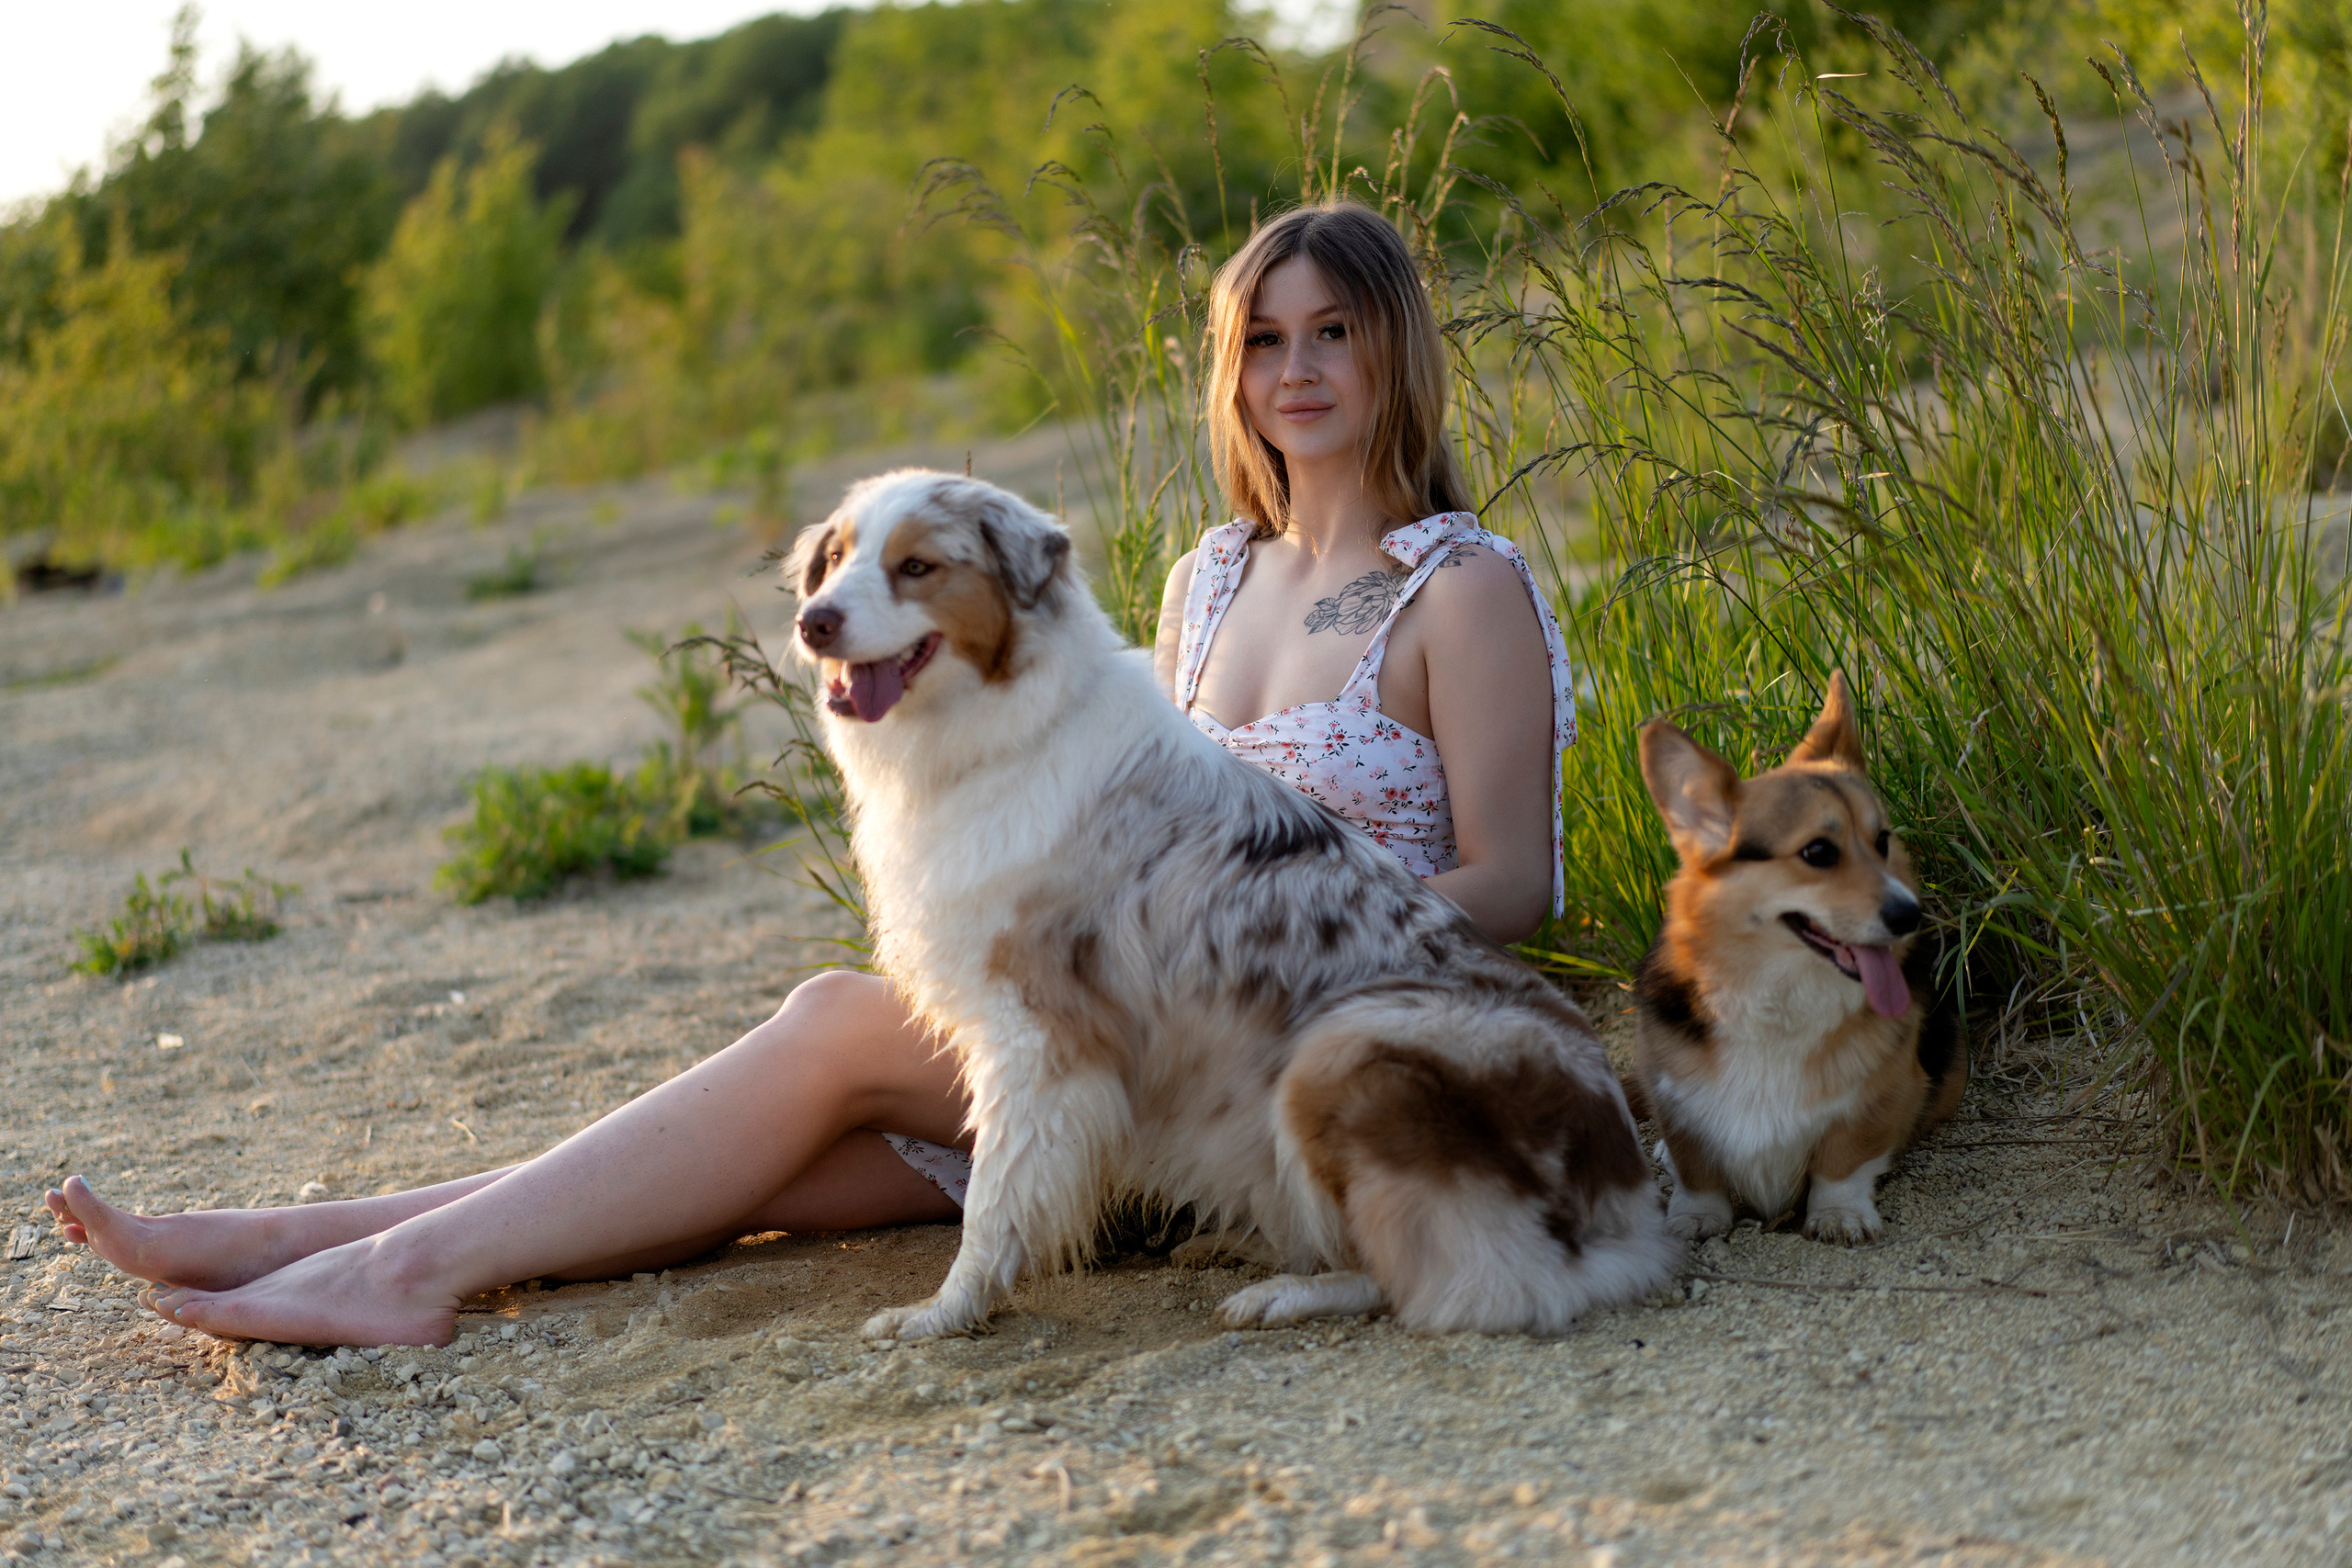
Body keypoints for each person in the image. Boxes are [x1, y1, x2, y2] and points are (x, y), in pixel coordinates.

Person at [44, 201, 1573, 1348]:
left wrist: (1248, 947)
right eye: (1262, 337)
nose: (1293, 370)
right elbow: (1122, 811)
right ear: (1230, 370)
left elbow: (1514, 881)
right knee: (789, 1161)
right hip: (1130, 1033)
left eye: (1331, 333)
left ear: (1394, 350)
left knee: (831, 1029)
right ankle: (315, 1244)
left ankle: (382, 1267)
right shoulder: (1206, 578)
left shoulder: (1462, 589)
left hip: (1284, 1045)